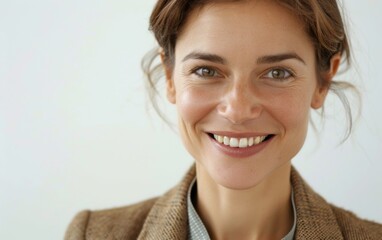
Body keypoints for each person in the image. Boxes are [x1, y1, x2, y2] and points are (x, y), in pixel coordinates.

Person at [65, 0, 382, 239]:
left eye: (277, 73)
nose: (238, 109)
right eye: (206, 71)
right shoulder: (91, 234)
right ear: (170, 76)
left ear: (322, 82)